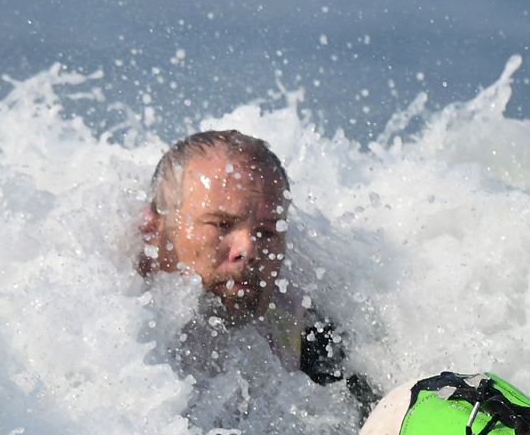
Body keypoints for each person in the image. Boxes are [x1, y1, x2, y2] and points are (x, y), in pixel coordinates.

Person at [138, 129, 376, 411]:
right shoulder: (103, 320)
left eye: (266, 232)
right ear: (152, 229)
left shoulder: (301, 328)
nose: (248, 250)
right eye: (221, 225)